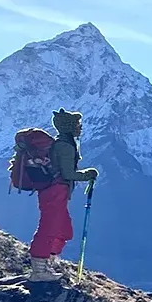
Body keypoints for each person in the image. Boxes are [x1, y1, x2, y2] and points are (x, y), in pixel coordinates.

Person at [29, 108, 99, 282]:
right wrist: (88, 174)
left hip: (54, 191)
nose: (80, 128)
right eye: (77, 125)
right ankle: (39, 270)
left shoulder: (62, 143)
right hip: (56, 191)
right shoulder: (65, 146)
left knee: (63, 229)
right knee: (49, 227)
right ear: (69, 127)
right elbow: (68, 174)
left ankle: (47, 263)